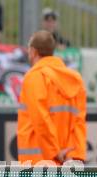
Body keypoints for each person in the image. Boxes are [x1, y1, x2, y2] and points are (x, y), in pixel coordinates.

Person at [17, 31, 86, 165]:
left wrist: (54, 152)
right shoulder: (75, 80)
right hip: (67, 162)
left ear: (33, 51)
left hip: (38, 164)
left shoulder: (34, 77)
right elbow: (79, 123)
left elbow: (41, 118)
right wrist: (75, 155)